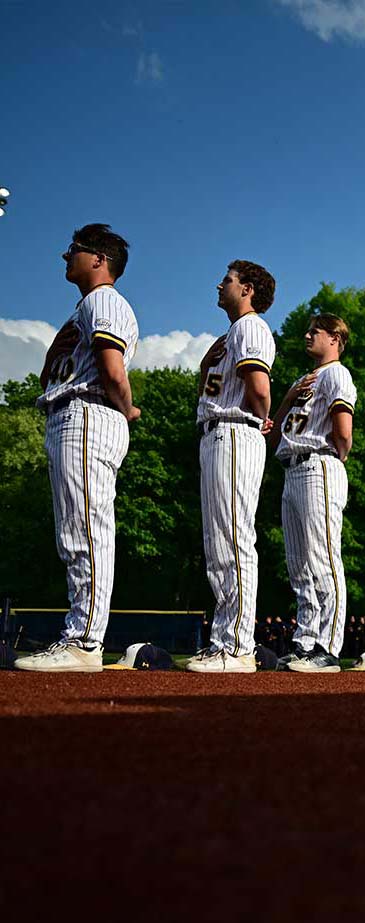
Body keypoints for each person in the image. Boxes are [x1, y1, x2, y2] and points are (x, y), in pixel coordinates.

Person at [16, 224, 139, 672]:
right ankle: (81, 634)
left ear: (99, 259)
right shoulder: (86, 306)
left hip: (89, 412)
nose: (66, 256)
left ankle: (84, 640)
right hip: (73, 414)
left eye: (75, 250)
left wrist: (126, 408)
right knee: (76, 530)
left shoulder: (104, 300)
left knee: (85, 529)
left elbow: (111, 368)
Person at [185, 261, 276, 673]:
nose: (220, 284)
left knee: (233, 538)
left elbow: (258, 387)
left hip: (236, 430)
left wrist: (262, 416)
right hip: (219, 432)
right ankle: (226, 638)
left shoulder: (251, 327)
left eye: (228, 280)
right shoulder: (232, 333)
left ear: (248, 289)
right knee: (219, 542)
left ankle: (237, 645)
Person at [269, 313, 356, 672]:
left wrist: (340, 453)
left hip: (319, 462)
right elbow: (272, 434)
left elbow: (343, 431)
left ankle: (328, 646)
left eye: (315, 331)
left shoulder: (337, 373)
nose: (307, 335)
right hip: (292, 467)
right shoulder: (303, 380)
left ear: (335, 338)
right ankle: (305, 640)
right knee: (299, 563)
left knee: (323, 557)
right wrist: (288, 397)